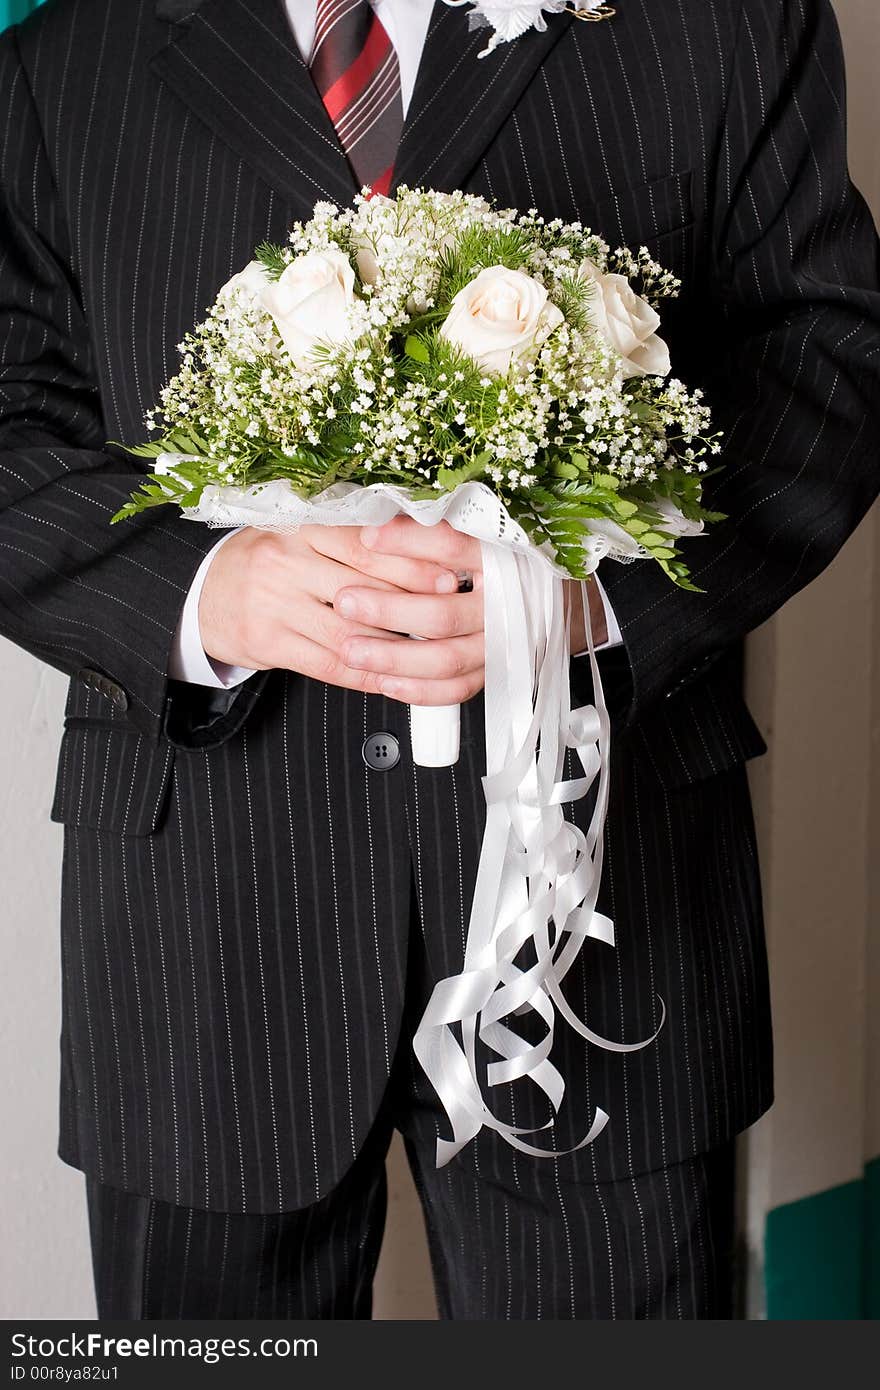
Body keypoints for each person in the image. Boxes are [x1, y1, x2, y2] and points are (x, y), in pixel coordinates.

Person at [1, 0, 878, 1321]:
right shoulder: (62, 58)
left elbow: (831, 353)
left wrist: (595, 591)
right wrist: (206, 595)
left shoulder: (731, 21)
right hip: (202, 941)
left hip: (611, 919)